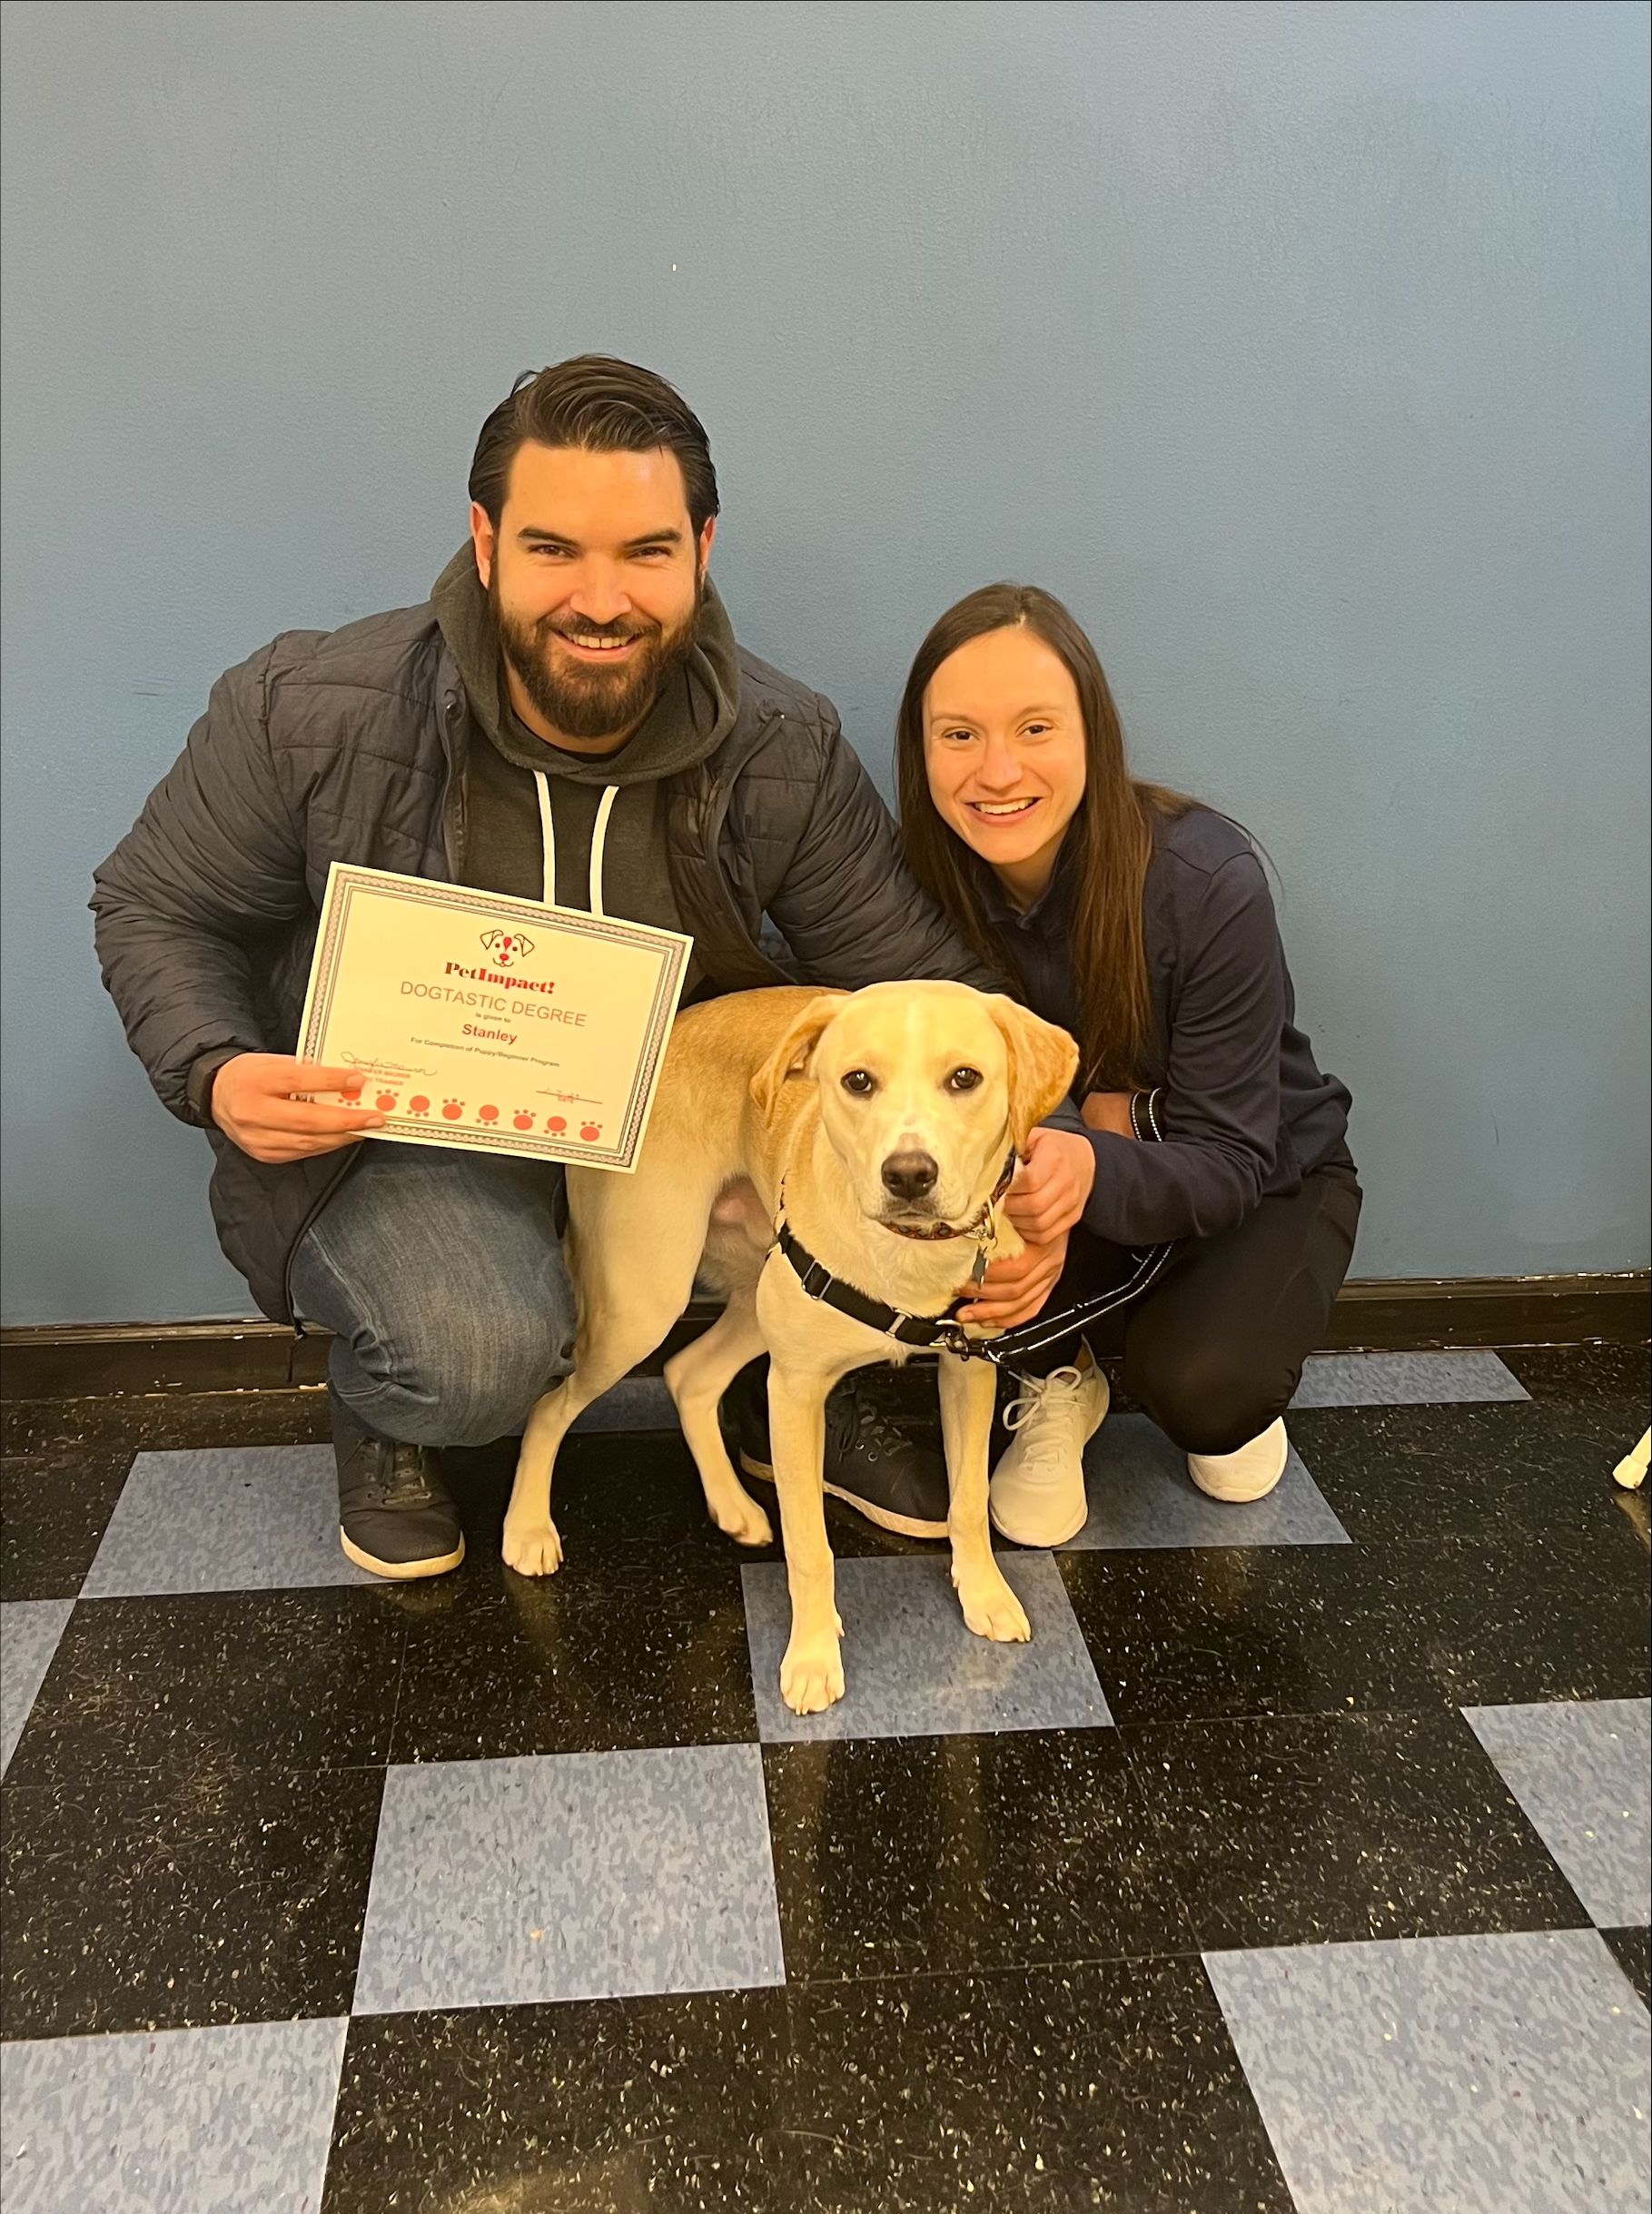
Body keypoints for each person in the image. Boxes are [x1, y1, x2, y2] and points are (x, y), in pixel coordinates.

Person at [93, 357, 1038, 1580]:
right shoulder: (307, 708)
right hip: (414, 1141)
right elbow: (154, 904)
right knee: (474, 1357)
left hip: (674, 1131)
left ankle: (779, 1375)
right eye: (554, 550)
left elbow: (912, 983)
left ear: (701, 548)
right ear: (484, 544)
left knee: (866, 1184)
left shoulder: (783, 748)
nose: (602, 599)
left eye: (645, 551)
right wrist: (216, 1072)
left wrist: (1037, 1143)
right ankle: (390, 1406)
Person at [896, 584, 1361, 1546]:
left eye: (1034, 727)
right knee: (934, 1279)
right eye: (957, 735)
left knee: (1206, 1391)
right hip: (1044, 1174)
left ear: (1092, 735)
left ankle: (1165, 1339)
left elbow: (1231, 1155)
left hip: (1260, 1173)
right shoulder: (914, 886)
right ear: (920, 750)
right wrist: (1049, 1197)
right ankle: (1060, 1372)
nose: (997, 770)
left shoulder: (1203, 879)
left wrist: (1087, 1177)